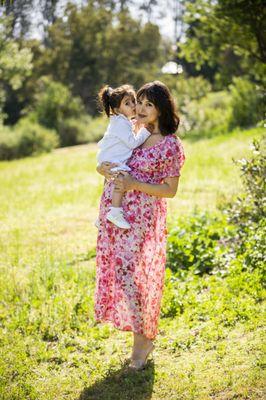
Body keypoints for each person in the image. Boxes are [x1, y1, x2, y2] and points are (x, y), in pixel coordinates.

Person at [94, 80, 186, 370]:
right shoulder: (133, 132)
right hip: (116, 214)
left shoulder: (170, 145)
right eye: (139, 102)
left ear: (161, 109)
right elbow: (112, 157)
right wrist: (102, 167)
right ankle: (143, 336)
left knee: (132, 276)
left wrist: (134, 183)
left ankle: (143, 341)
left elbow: (169, 190)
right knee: (123, 275)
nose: (141, 109)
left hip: (142, 216)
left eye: (148, 104)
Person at [95, 84, 151, 229]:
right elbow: (132, 143)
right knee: (120, 179)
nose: (133, 105)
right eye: (127, 103)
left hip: (110, 157)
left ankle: (101, 217)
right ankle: (115, 211)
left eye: (133, 101)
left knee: (110, 184)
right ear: (117, 109)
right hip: (112, 160)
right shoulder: (120, 122)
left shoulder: (123, 121)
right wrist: (145, 131)